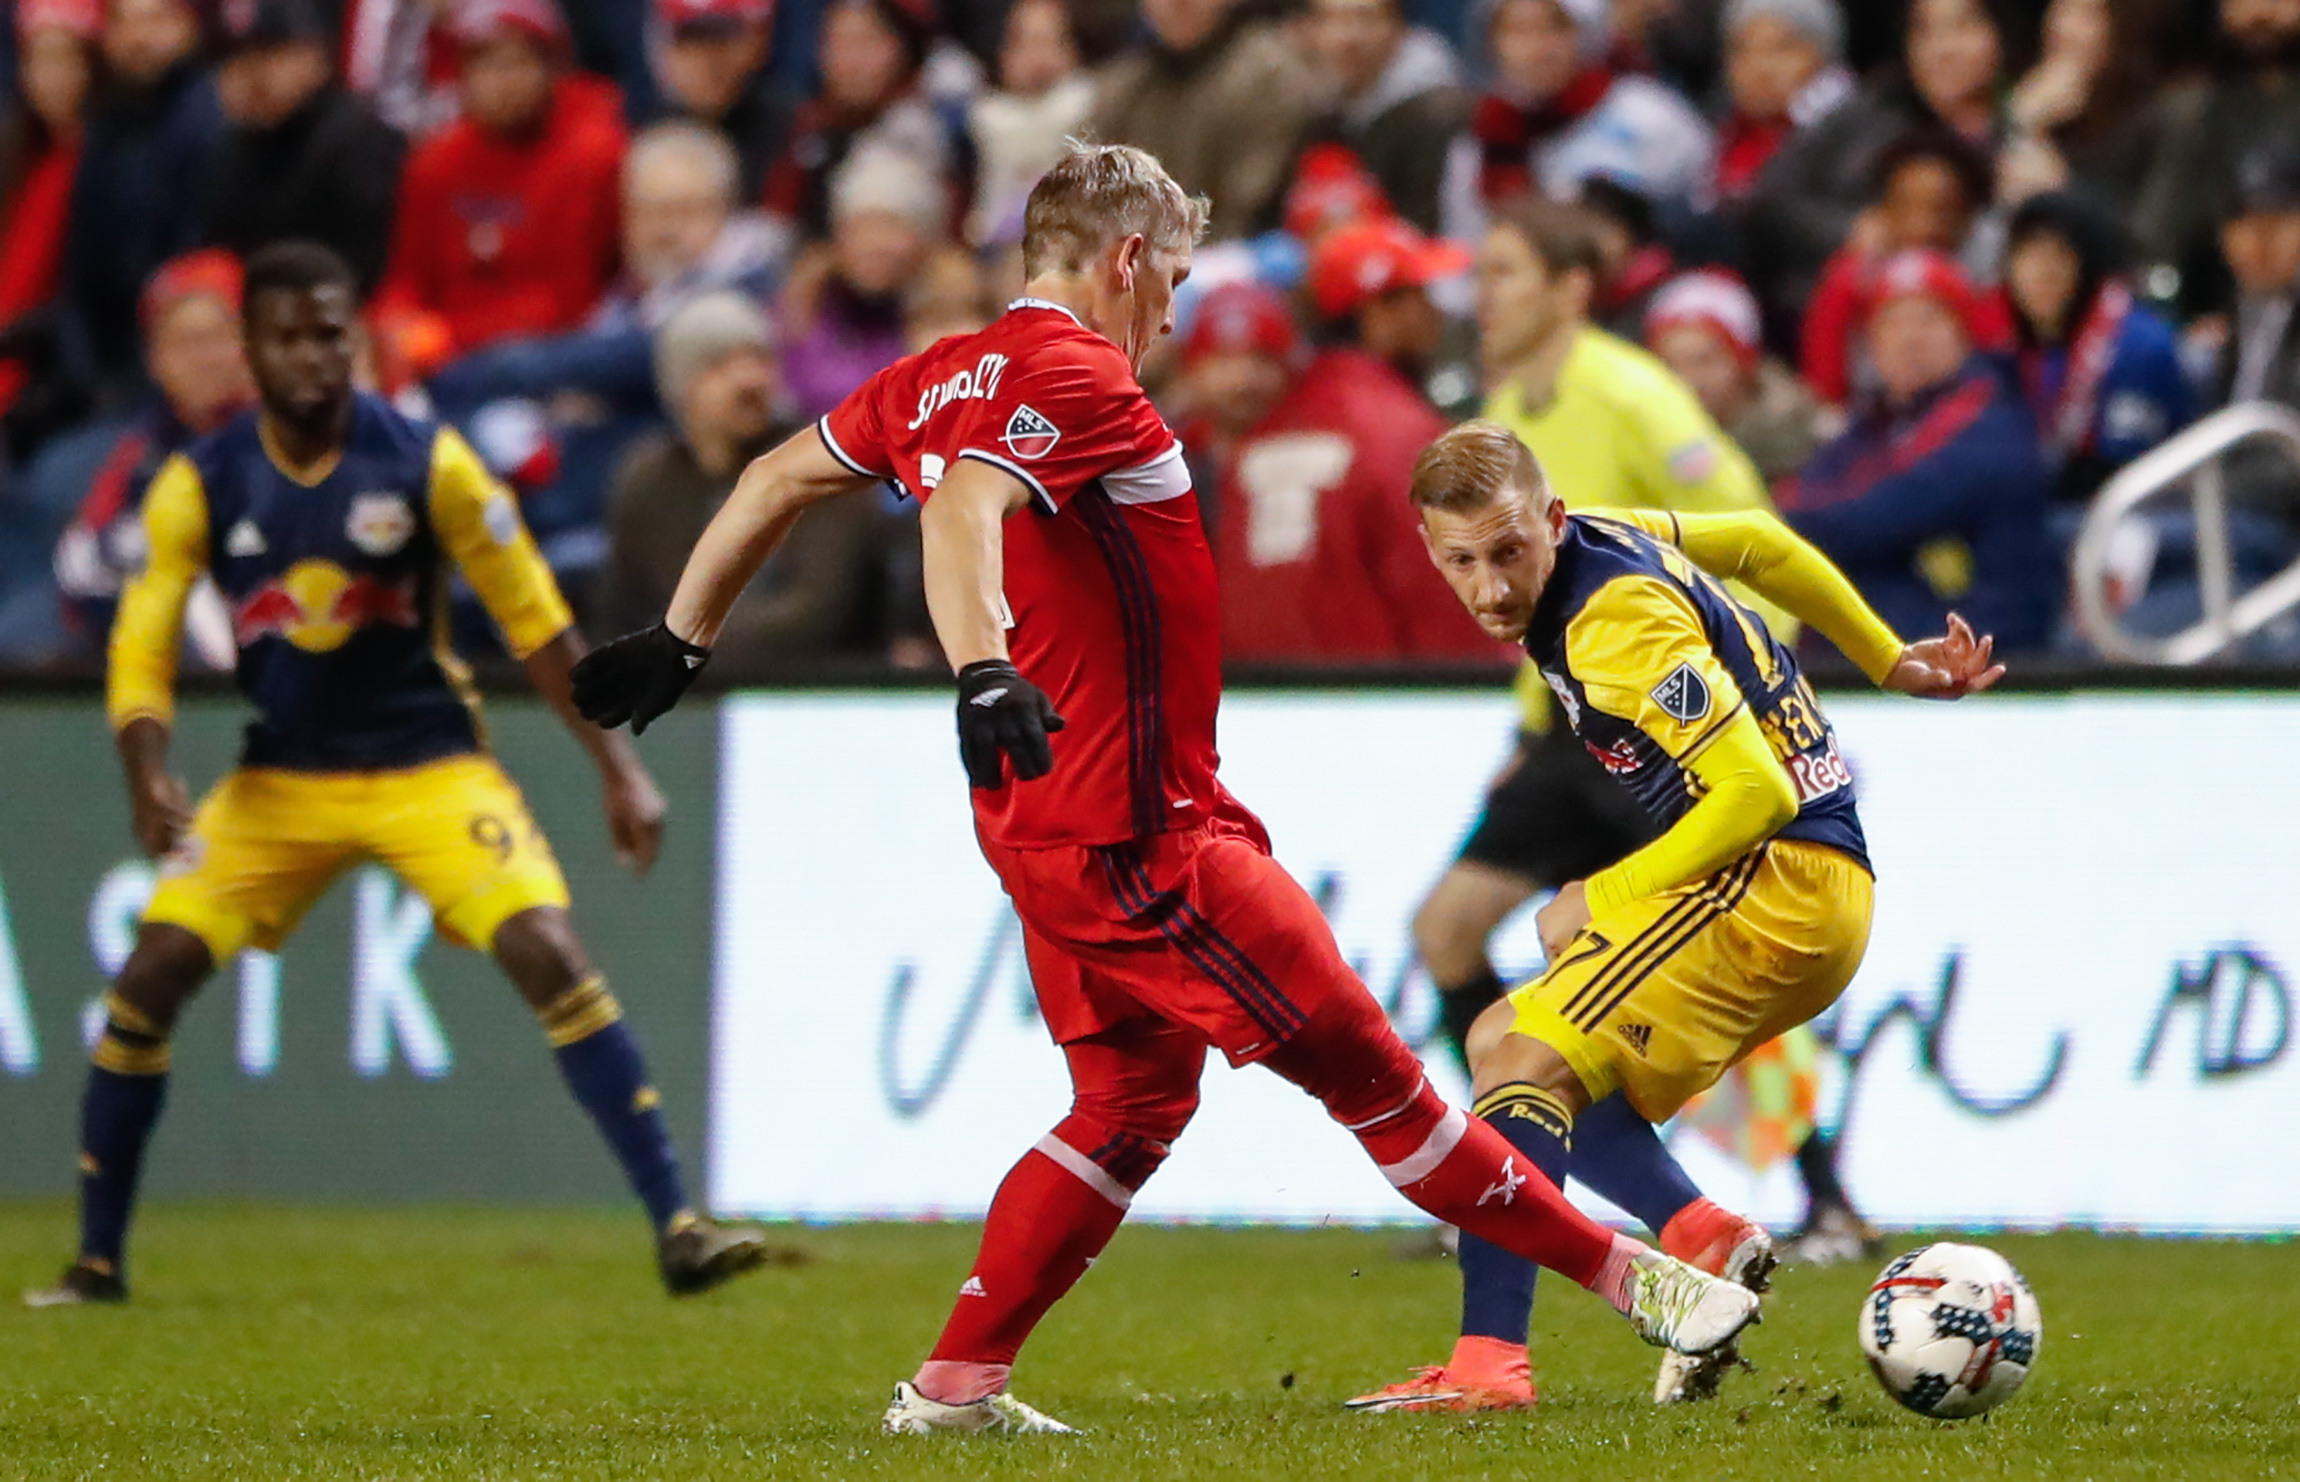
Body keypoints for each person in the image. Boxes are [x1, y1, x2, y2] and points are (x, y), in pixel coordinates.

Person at [571, 140, 1764, 1433]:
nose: (1174, 313)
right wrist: (981, 668)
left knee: (1131, 1100)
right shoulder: (1076, 372)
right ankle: (1648, 1283)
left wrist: (684, 635)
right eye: (1174, 279)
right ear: (1125, 259)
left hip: (1055, 816)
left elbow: (777, 477)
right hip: (1136, 836)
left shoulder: (941, 371)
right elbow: (965, 507)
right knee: (1380, 1073)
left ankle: (956, 1385)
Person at [21, 242, 767, 1307]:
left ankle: (678, 1225)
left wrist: (616, 768)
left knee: (547, 948)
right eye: (290, 338)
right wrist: (146, 771)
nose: (316, 358)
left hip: (428, 768)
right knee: (147, 980)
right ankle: (96, 1263)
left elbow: (532, 623)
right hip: (279, 783)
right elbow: (140, 645)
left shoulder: (428, 462)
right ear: (252, 352)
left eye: (333, 334)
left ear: (357, 338)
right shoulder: (202, 481)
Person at [1350, 418, 2002, 1412]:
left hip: (1767, 880)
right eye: (1461, 562)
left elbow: (1753, 792)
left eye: (1509, 552)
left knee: (1519, 1058)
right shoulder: (1602, 533)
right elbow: (1756, 543)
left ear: (1550, 520)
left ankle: (1489, 1366)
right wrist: (1880, 660)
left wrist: (1597, 893)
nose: (1489, 586)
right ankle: (1700, 1235)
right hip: (1803, 882)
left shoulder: (1611, 625)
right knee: (1505, 1047)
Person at [1412, 199, 1787, 1187]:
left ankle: (1821, 1191)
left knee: (1716, 970)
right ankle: (1510, 1178)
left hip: (1657, 731)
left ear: (1571, 289)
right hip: (1567, 735)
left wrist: (1751, 704)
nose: (1480, 296)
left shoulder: (1632, 395)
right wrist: (1530, 722)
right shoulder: (1504, 421)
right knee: (1444, 930)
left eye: (1503, 272)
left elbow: (1747, 538)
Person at [1188, 271, 1501, 665]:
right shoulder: (1393, 424)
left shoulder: (1362, 425)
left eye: (1260, 358)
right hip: (1368, 695)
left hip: (1292, 697)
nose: (1242, 380)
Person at [1789, 248, 2059, 656]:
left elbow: (1866, 516)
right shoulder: (1877, 420)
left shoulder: (1992, 423)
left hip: (1995, 658)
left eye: (1929, 319)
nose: (1910, 337)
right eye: (1892, 322)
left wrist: (1778, 511)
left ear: (1963, 333)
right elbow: (1815, 495)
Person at [601, 291, 881, 672]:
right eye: (720, 365)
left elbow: (816, 611)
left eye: (760, 359)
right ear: (681, 385)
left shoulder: (820, 461)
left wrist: (681, 646)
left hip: (812, 690)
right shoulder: (649, 480)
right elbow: (618, 606)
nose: (749, 379)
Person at [370, 0, 628, 383]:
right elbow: (408, 277)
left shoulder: (593, 152)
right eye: (485, 64)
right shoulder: (436, 160)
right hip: (437, 353)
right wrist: (394, 326)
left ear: (552, 68)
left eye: (517, 63)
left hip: (544, 357)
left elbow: (569, 301)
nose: (502, 82)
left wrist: (448, 336)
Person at [52, 250, 253, 661]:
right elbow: (82, 573)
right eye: (183, 343)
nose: (204, 360)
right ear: (155, 359)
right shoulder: (138, 455)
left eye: (219, 337)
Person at [66, 0, 224, 407]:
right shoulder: (104, 125)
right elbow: (84, 263)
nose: (139, 38)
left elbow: (195, 260)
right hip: (103, 363)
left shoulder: (208, 123)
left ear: (188, 27)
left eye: (155, 18)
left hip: (173, 360)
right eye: (124, 22)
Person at [2000, 190, 2192, 505]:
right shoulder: (2016, 344)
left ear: (2090, 263)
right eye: (2028, 255)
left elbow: (2122, 473)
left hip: (2140, 513)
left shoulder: (2138, 345)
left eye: (2060, 257)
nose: (2043, 273)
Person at [205, 0, 408, 294]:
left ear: (317, 57)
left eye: (269, 53)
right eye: (237, 56)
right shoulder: (232, 145)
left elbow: (364, 273)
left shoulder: (360, 142)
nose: (252, 73)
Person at [1798, 130, 2009, 410]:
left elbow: (2001, 375)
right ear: (1882, 211)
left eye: (1941, 209)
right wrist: (1848, 278)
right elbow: (1822, 390)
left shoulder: (1994, 271)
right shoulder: (1854, 275)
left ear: (1969, 215)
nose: (1923, 227)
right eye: (1906, 206)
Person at [1088, 0, 1330, 240]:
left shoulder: (1270, 76)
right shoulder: (1123, 86)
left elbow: (1248, 203)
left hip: (1239, 251)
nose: (1176, 4)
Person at [1462, 0, 1714, 213]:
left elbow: (1703, 202)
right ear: (1493, 43)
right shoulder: (1482, 135)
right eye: (1519, 31)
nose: (1539, 48)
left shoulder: (1645, 113)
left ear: (1584, 34)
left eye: (1555, 28)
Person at [759, 0, 956, 242]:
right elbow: (776, 226)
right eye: (836, 42)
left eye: (866, 42)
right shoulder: (803, 129)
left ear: (906, 49)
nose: (851, 62)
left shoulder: (939, 131)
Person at [0, 0, 100, 450]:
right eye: (37, 60)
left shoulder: (104, 158)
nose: (50, 76)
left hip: (55, 367)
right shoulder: (22, 153)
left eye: (64, 59)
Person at [1297, 0, 1469, 238]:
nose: (1347, 38)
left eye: (1365, 18)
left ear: (1399, 28)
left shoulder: (1438, 117)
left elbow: (1427, 230)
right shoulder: (1316, 111)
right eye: (1330, 19)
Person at [1645, 268, 1822, 488]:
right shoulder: (1645, 436)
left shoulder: (1804, 439)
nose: (1688, 379)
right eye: (1671, 365)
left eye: (1704, 361)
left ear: (1744, 361)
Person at [964, 0, 1094, 247]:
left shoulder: (1091, 107)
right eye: (1024, 44)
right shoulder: (983, 120)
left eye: (1049, 42)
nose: (1038, 58)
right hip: (996, 243)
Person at [1711, 0, 1853, 208]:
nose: (1761, 68)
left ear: (1823, 55)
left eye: (1782, 48)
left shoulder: (1853, 139)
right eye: (1743, 49)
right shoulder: (1716, 135)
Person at [653, 0, 792, 201]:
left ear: (752, 47)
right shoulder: (652, 136)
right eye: (693, 42)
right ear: (670, 54)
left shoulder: (790, 134)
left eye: (722, 41)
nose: (708, 61)